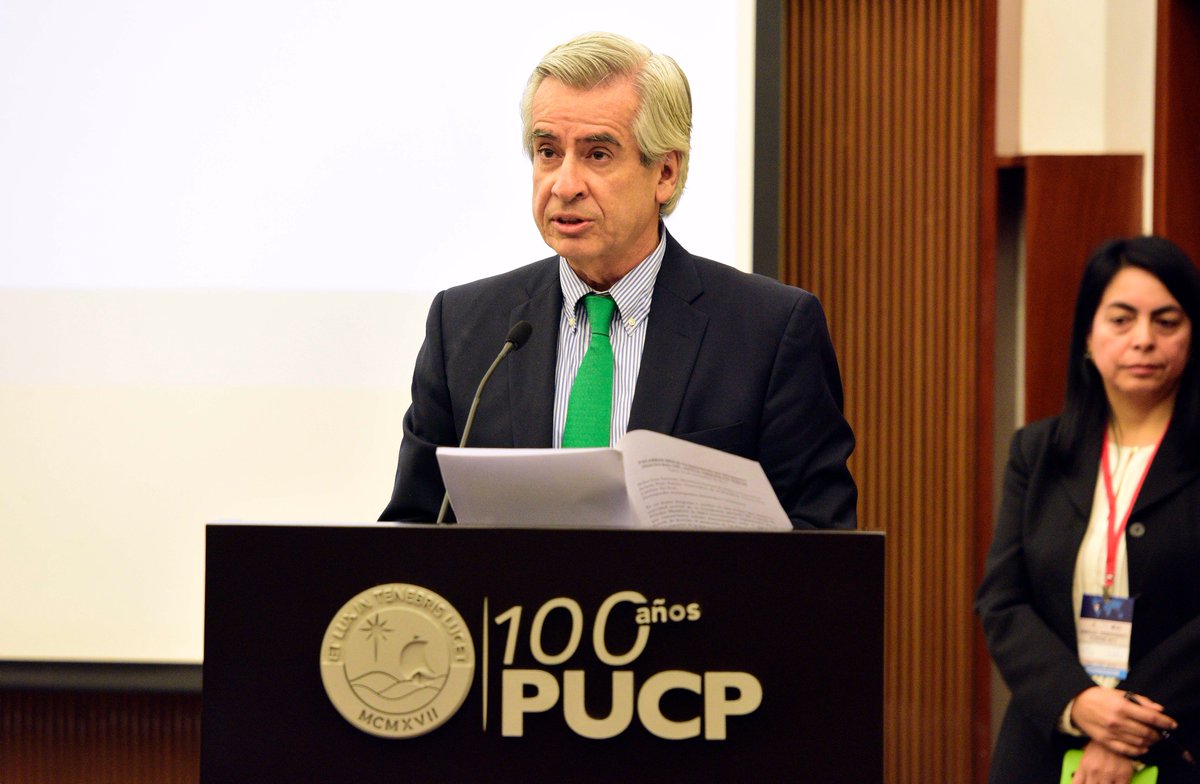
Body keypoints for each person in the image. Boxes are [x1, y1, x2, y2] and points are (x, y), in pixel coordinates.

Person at [380, 32, 856, 529]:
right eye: (547, 151)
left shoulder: (769, 332)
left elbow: (822, 541)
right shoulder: (465, 327)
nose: (565, 185)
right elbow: (412, 532)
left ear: (665, 173)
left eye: (597, 154)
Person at [976, 236, 1200, 782]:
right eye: (1121, 320)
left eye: (1166, 322)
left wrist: (1128, 728)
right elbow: (1002, 601)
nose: (1143, 339)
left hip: (1182, 741)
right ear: (1088, 334)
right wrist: (1078, 703)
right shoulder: (1037, 452)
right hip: (1045, 739)